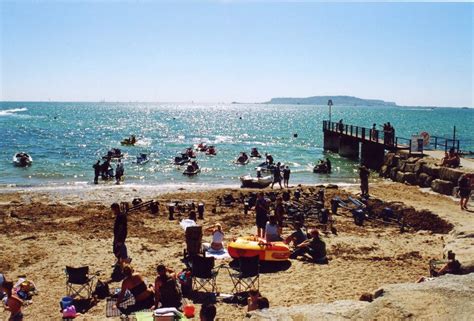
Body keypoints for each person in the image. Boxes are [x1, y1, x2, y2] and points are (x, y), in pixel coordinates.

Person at [112, 203, 129, 267]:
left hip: (120, 236)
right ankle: (120, 260)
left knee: (118, 248)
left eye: (113, 210)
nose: (113, 211)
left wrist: (118, 238)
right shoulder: (120, 215)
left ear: (116, 208)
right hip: (119, 235)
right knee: (118, 248)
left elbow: (121, 227)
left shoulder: (121, 216)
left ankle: (125, 260)